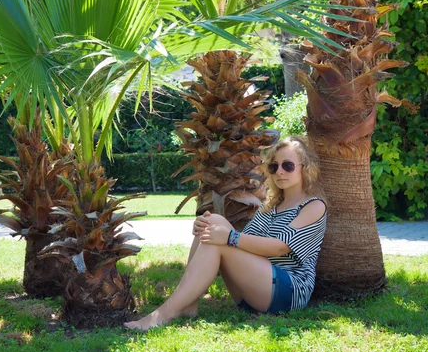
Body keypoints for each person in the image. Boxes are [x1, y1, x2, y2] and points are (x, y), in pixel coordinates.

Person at [124, 136, 327, 331]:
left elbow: (280, 247)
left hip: (287, 294)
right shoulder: (272, 205)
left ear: (305, 168)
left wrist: (228, 237)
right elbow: (248, 241)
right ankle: (189, 303)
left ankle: (164, 314)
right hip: (255, 290)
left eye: (288, 165)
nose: (280, 172)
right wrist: (211, 230)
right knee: (212, 221)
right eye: (274, 167)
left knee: (220, 237)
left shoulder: (313, 205)